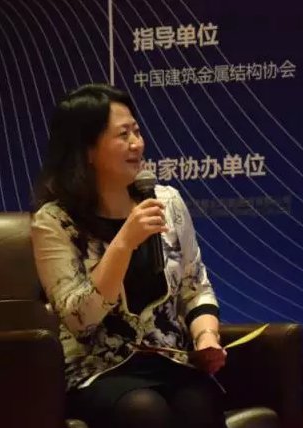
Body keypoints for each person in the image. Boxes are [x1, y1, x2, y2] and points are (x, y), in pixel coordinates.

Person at [30, 83, 227, 428]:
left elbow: (195, 288)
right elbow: (80, 321)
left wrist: (205, 337)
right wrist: (124, 243)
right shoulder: (55, 222)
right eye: (124, 135)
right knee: (144, 409)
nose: (137, 143)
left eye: (137, 131)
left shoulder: (166, 202)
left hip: (169, 362)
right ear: (87, 151)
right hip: (97, 370)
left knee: (199, 401)